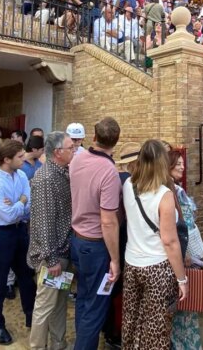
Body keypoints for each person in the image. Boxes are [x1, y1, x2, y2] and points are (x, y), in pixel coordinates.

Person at [121, 140, 188, 349]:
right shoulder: (164, 195)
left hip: (131, 263)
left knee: (131, 320)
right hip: (157, 267)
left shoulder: (128, 185)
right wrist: (182, 278)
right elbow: (169, 241)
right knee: (156, 326)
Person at [70, 117, 122, 350]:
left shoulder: (77, 159)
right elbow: (108, 220)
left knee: (83, 297)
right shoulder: (108, 171)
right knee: (96, 305)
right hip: (96, 245)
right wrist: (115, 259)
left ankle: (81, 341)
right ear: (116, 142)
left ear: (93, 137)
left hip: (77, 240)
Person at [0, 139, 37, 345]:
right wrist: (20, 201)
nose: (25, 159)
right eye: (20, 157)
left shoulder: (21, 175)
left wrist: (19, 203)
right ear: (6, 159)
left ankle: (32, 317)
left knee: (26, 276)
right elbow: (7, 215)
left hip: (19, 232)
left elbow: (30, 205)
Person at [27, 132, 75, 350]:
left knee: (59, 303)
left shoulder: (62, 173)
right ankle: (37, 346)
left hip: (63, 252)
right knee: (45, 304)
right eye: (70, 148)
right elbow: (44, 222)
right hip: (52, 257)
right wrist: (52, 259)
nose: (74, 151)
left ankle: (58, 343)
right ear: (58, 152)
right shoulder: (45, 179)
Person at [169, 150, 203, 350]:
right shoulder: (174, 192)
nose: (182, 167)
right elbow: (186, 225)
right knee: (185, 307)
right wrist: (187, 254)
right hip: (183, 256)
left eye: (183, 163)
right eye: (178, 164)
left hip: (178, 254)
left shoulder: (172, 189)